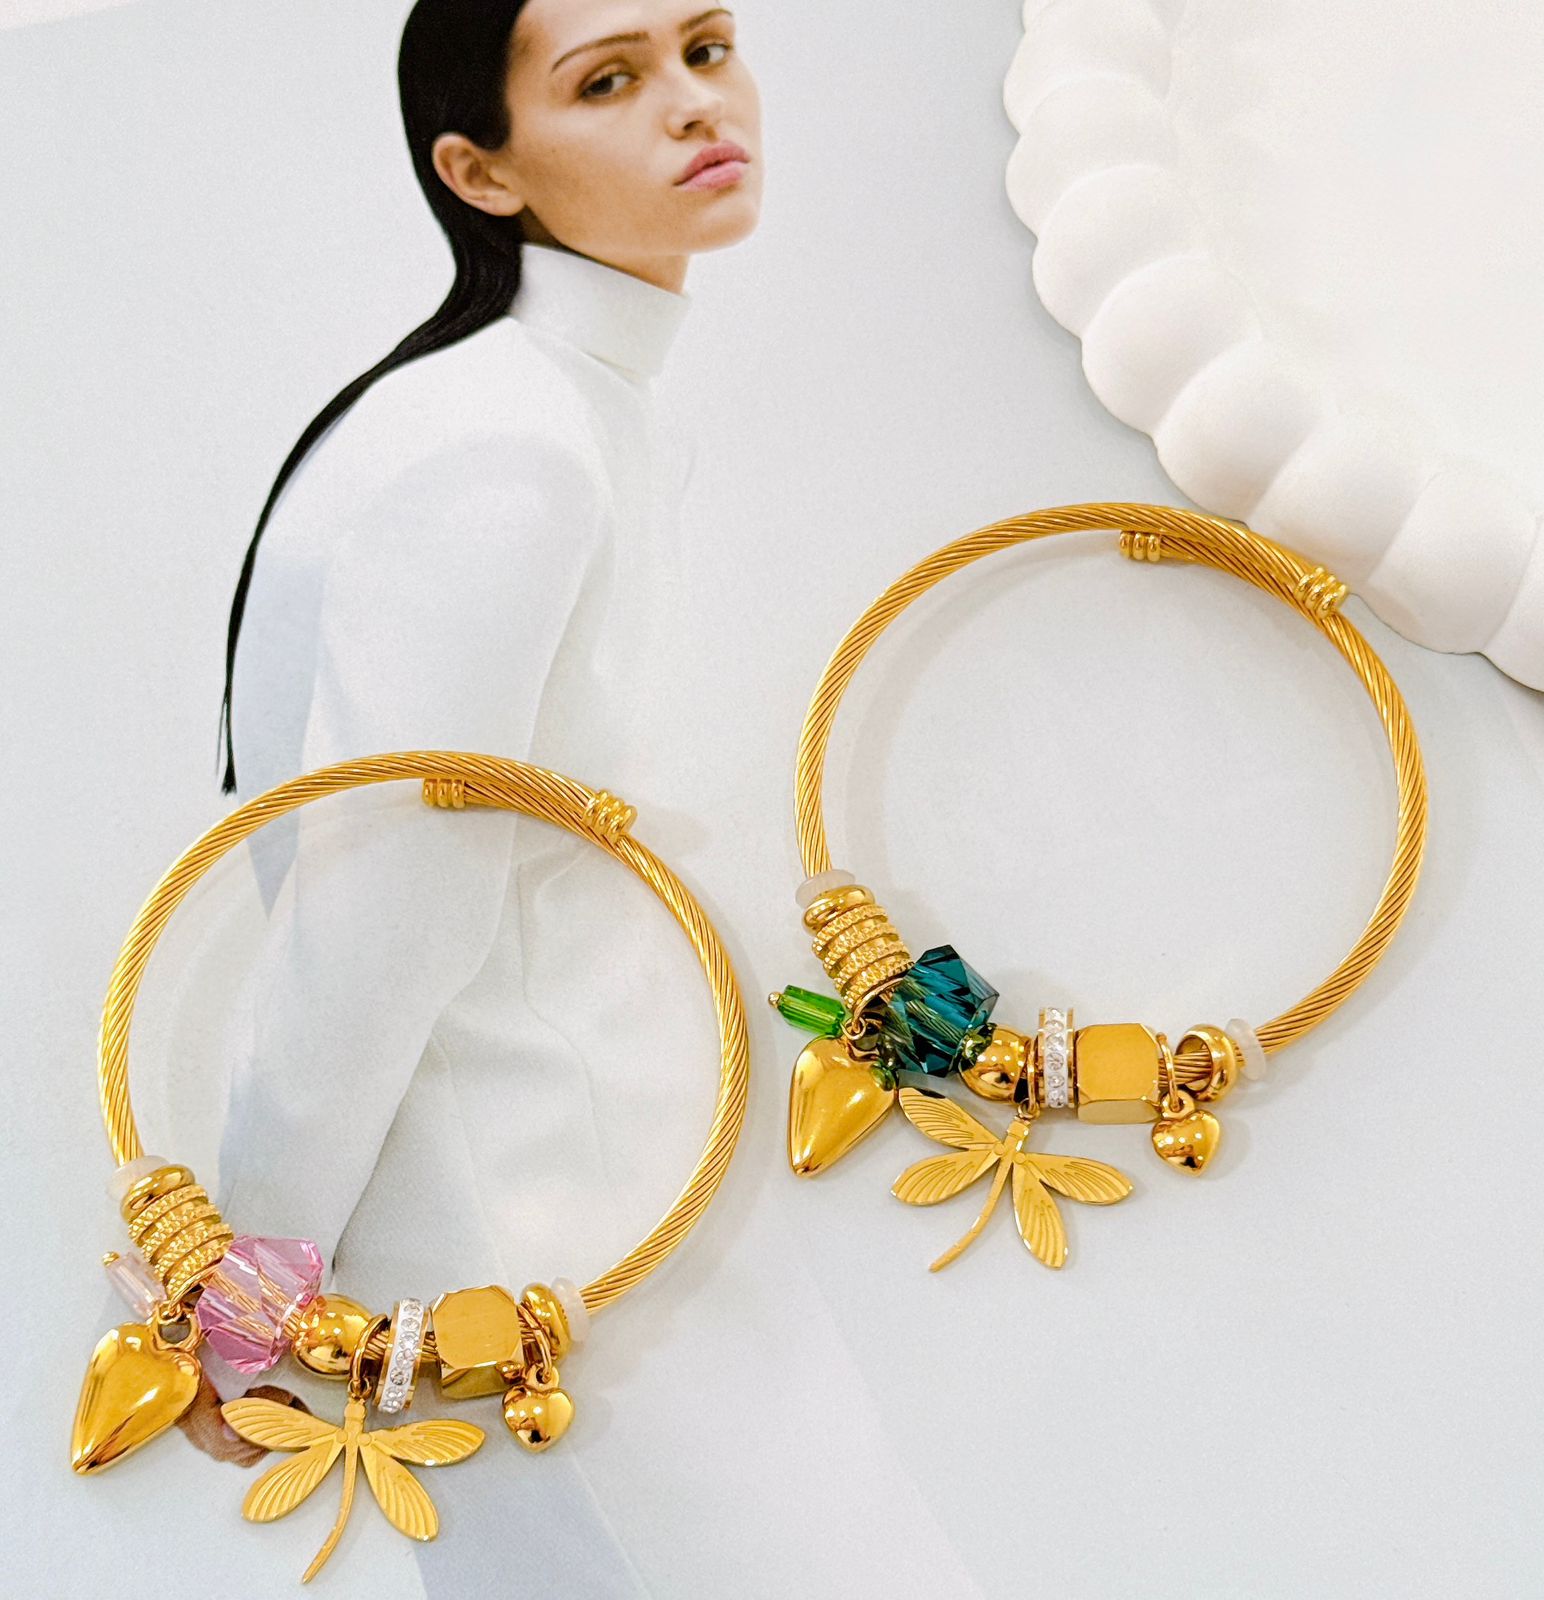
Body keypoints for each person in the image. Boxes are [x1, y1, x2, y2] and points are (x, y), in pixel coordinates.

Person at [213, 0, 763, 1325]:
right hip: (499, 1233)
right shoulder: (508, 445)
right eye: (607, 82)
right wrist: (246, 1301)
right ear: (479, 170)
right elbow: (372, 917)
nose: (696, 101)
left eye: (705, 49)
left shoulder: (569, 408)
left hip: (587, 1186)